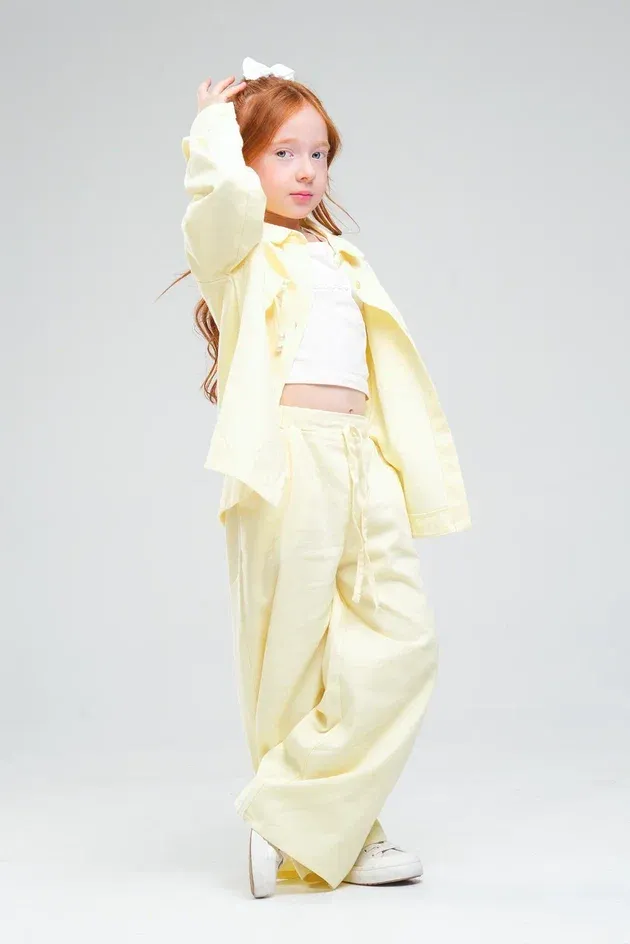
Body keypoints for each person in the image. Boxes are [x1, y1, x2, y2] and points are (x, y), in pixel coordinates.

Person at [170, 55, 472, 898]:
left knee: (403, 643)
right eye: (283, 153)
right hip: (286, 459)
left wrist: (384, 462)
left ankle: (286, 811)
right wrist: (211, 130)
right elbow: (220, 203)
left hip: (361, 456)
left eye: (319, 154)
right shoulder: (236, 252)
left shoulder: (340, 258)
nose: (306, 171)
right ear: (244, 162)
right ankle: (339, 838)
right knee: (291, 654)